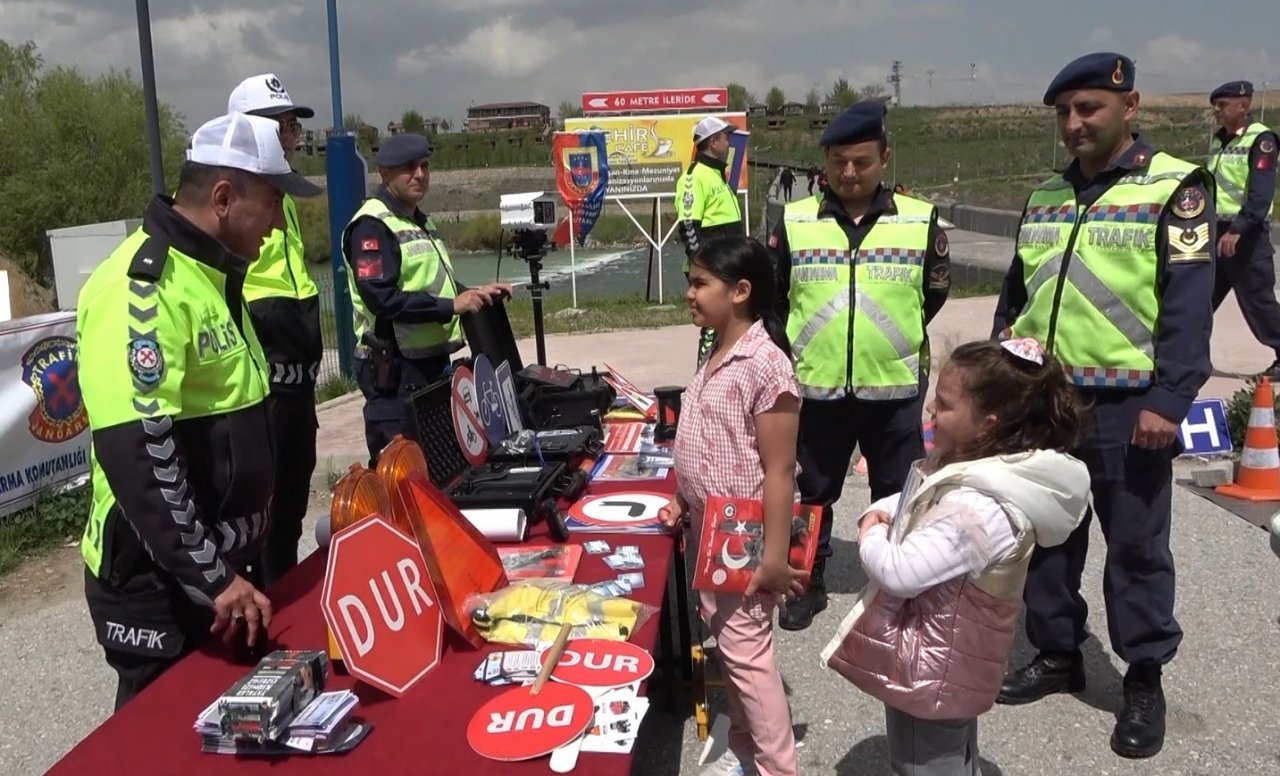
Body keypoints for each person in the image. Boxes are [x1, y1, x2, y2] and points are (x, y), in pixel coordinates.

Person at [992, 52, 1215, 759]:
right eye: (1064, 112)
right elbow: (1017, 297)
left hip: (1129, 407)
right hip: (1048, 401)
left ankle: (1143, 676)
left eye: (1088, 109)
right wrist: (1003, 375)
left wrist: (1170, 398)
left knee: (1138, 548)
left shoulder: (1176, 188)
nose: (1074, 123)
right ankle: (1059, 654)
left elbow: (1188, 307)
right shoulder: (1046, 194)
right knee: (1048, 538)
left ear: (1130, 106)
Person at [77, 112, 323, 709]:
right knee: (159, 741)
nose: (278, 219)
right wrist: (214, 578)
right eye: (271, 200)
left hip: (222, 574)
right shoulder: (141, 290)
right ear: (222, 197)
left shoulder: (213, 277)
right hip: (159, 583)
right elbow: (141, 455)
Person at [826, 337, 1090, 776]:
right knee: (951, 749)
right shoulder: (987, 469)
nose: (931, 410)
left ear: (988, 423)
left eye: (944, 405)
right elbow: (922, 496)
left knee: (924, 761)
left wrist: (870, 530)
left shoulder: (979, 506)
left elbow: (900, 572)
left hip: (931, 670)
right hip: (955, 660)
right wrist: (889, 507)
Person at [769, 100, 952, 631]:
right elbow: (777, 298)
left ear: (885, 158)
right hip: (817, 384)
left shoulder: (920, 219)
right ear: (825, 161)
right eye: (839, 161)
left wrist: (884, 340)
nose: (849, 172)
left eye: (862, 162)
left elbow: (934, 291)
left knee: (896, 493)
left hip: (893, 385)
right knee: (814, 490)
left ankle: (891, 588)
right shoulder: (795, 219)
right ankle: (808, 580)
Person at [662, 236, 804, 776]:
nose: (690, 294)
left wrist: (773, 555)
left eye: (700, 284)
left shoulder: (767, 367)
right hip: (710, 533)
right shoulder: (718, 345)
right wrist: (681, 497)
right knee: (732, 649)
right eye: (690, 282)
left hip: (744, 542)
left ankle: (776, 767)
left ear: (741, 291)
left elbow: (779, 469)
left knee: (748, 658)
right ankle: (745, 751)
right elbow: (709, 437)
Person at [342, 133, 512, 466]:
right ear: (385, 173)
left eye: (424, 166)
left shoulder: (419, 221)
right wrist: (452, 307)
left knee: (437, 465)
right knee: (402, 473)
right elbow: (383, 300)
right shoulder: (372, 226)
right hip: (393, 370)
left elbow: (435, 283)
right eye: (408, 168)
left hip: (428, 365)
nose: (420, 174)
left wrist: (472, 293)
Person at [226, 73, 321, 587]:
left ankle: (283, 594)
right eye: (282, 126)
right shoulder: (230, 198)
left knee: (290, 505)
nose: (291, 137)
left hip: (298, 379)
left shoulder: (279, 196)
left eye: (292, 127)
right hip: (264, 381)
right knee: (260, 515)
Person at [1208, 80, 1280, 376]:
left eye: (1222, 105)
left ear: (1244, 106)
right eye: (1215, 105)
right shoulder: (1219, 140)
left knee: (1259, 306)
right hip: (1215, 233)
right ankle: (1188, 360)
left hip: (1245, 237)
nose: (1216, 111)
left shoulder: (1260, 140)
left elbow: (1261, 195)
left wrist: (1238, 229)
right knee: (1198, 301)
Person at [676, 116, 745, 366]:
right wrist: (704, 271)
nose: (729, 142)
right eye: (726, 137)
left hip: (731, 269)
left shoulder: (719, 176)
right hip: (712, 270)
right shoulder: (695, 176)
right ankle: (703, 380)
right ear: (713, 142)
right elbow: (688, 227)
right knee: (712, 328)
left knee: (733, 328)